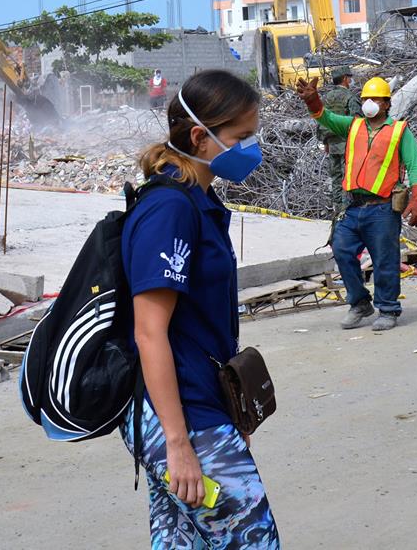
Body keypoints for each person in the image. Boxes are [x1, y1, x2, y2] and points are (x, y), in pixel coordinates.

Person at [120, 69, 280, 548]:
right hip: (182, 415)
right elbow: (150, 333)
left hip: (200, 408)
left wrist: (232, 414)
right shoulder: (169, 210)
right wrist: (179, 443)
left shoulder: (198, 199)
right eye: (241, 137)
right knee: (252, 541)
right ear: (199, 136)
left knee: (180, 542)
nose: (250, 149)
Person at [296, 76, 417, 332]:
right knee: (342, 250)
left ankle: (388, 309)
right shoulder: (354, 126)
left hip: (383, 208)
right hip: (353, 206)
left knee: (384, 261)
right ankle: (359, 303)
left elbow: (414, 165)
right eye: (366, 98)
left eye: (375, 99)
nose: (369, 103)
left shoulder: (399, 131)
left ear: (387, 104)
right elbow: (325, 118)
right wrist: (312, 100)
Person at [320, 66, 363, 215]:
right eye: (349, 78)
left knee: (336, 178)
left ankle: (337, 210)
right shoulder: (350, 97)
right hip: (347, 145)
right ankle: (347, 210)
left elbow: (321, 121)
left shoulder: (326, 99)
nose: (351, 80)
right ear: (345, 78)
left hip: (332, 145)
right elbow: (357, 122)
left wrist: (325, 142)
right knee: (349, 177)